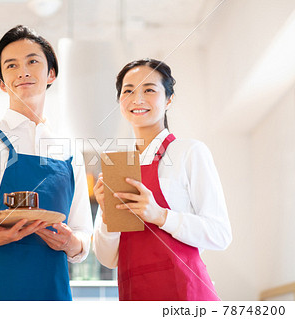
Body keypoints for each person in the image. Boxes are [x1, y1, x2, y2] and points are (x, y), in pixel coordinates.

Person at [0, 25, 93, 301]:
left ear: (51, 73)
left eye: (33, 61)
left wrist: (72, 242)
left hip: (54, 297)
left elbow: (83, 231)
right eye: (11, 65)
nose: (23, 71)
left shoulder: (70, 151)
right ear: (1, 82)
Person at [93, 59, 232, 301]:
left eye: (149, 89)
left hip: (186, 296)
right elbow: (108, 258)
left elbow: (220, 234)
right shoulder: (117, 167)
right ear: (120, 102)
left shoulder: (189, 152)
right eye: (128, 91)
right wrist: (107, 216)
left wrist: (160, 215)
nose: (137, 99)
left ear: (168, 99)